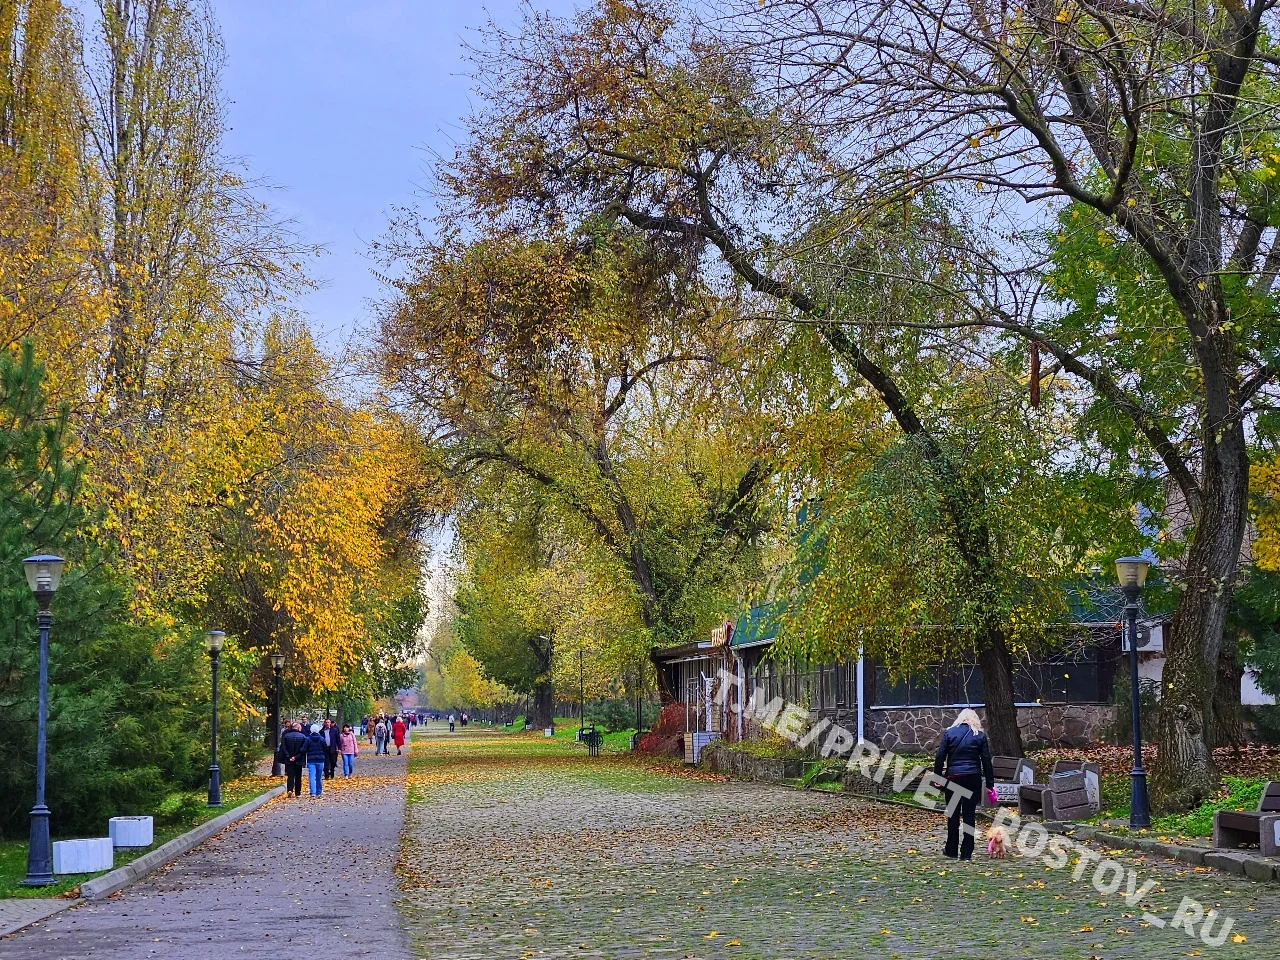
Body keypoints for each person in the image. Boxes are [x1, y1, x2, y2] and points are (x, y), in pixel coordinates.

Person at [933, 708, 995, 861]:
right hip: (972, 779)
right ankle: (967, 853)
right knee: (969, 815)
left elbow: (940, 755)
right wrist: (989, 783)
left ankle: (951, 850)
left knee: (953, 815)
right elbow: (986, 760)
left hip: (953, 778)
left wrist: (937, 777)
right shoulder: (979, 735)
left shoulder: (950, 733)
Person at [279, 721, 307, 798]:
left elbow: (283, 748)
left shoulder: (286, 736)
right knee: (298, 776)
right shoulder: (302, 737)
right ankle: (298, 792)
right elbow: (303, 749)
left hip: (289, 760)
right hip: (299, 759)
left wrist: (289, 757)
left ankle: (290, 789)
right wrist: (296, 757)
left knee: (290, 775)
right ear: (298, 728)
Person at [304, 722, 329, 797]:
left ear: (311, 730)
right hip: (320, 760)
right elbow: (325, 748)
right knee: (319, 776)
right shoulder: (321, 739)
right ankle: (319, 791)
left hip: (311, 760)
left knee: (312, 776)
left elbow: (304, 749)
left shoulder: (308, 739)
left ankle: (313, 792)